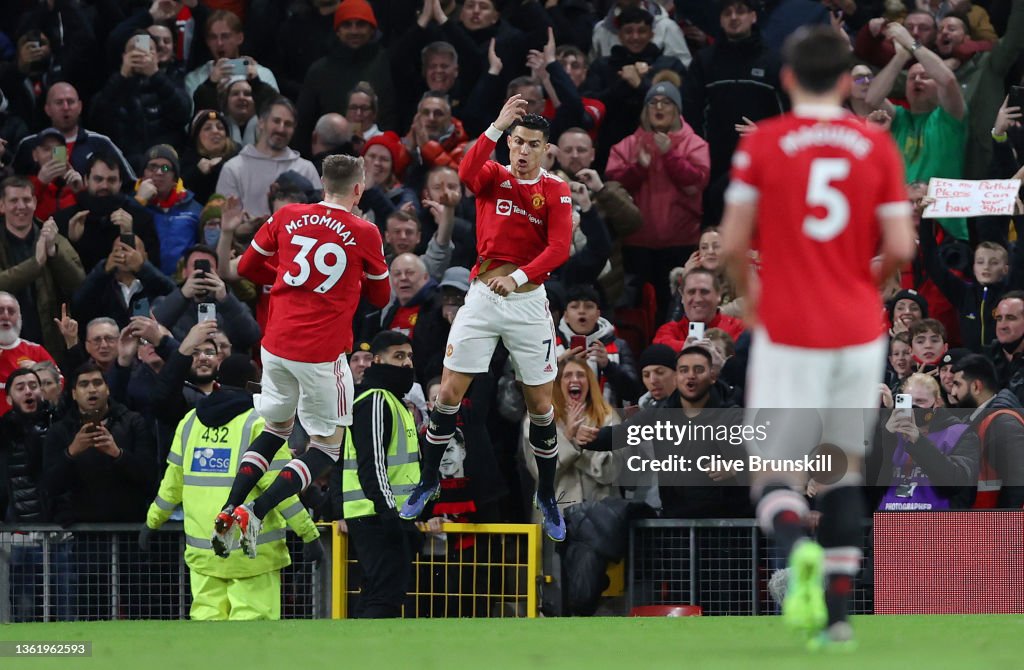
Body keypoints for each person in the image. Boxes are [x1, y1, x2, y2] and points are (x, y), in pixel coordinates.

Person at [719, 27, 916, 648]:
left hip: (787, 326)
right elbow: (902, 247)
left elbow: (728, 245)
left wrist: (752, 304)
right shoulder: (874, 144)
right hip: (859, 329)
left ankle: (795, 545)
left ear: (786, 79)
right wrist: (866, 287)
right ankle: (835, 622)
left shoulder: (767, 144)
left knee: (773, 473)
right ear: (842, 82)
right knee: (842, 471)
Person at [399, 95, 573, 542]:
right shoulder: (493, 175)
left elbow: (558, 249)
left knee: (540, 406)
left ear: (545, 150)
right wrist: (494, 125)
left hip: (528, 301)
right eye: (516, 141)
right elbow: (464, 172)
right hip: (481, 296)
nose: (522, 150)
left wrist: (517, 278)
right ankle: (428, 480)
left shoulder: (556, 190)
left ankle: (548, 494)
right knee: (448, 395)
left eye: (532, 144)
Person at [210, 154, 390, 558]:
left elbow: (249, 267)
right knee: (325, 447)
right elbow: (381, 297)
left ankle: (228, 506)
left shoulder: (288, 215)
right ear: (358, 189)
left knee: (275, 429)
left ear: (323, 185)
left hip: (275, 344)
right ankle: (254, 511)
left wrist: (292, 277)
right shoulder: (364, 231)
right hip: (322, 353)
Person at [140, 354, 322, 621]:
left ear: (217, 384)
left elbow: (172, 486)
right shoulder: (261, 425)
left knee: (207, 634)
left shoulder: (190, 423)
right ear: (255, 386)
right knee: (253, 640)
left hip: (206, 553)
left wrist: (151, 523)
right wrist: (308, 534)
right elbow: (280, 490)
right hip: (252, 555)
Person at [334, 331, 420, 618]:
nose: (407, 363)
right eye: (399, 356)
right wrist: (389, 515)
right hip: (376, 515)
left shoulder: (394, 402)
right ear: (378, 361)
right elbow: (372, 465)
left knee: (381, 593)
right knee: (385, 596)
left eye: (409, 356)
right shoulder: (375, 400)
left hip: (384, 513)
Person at [949, 353, 1024, 508]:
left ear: (976, 386)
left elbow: (1019, 483)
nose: (953, 393)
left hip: (998, 526)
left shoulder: (1002, 421)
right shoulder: (980, 419)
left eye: (957, 384)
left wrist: (1004, 526)